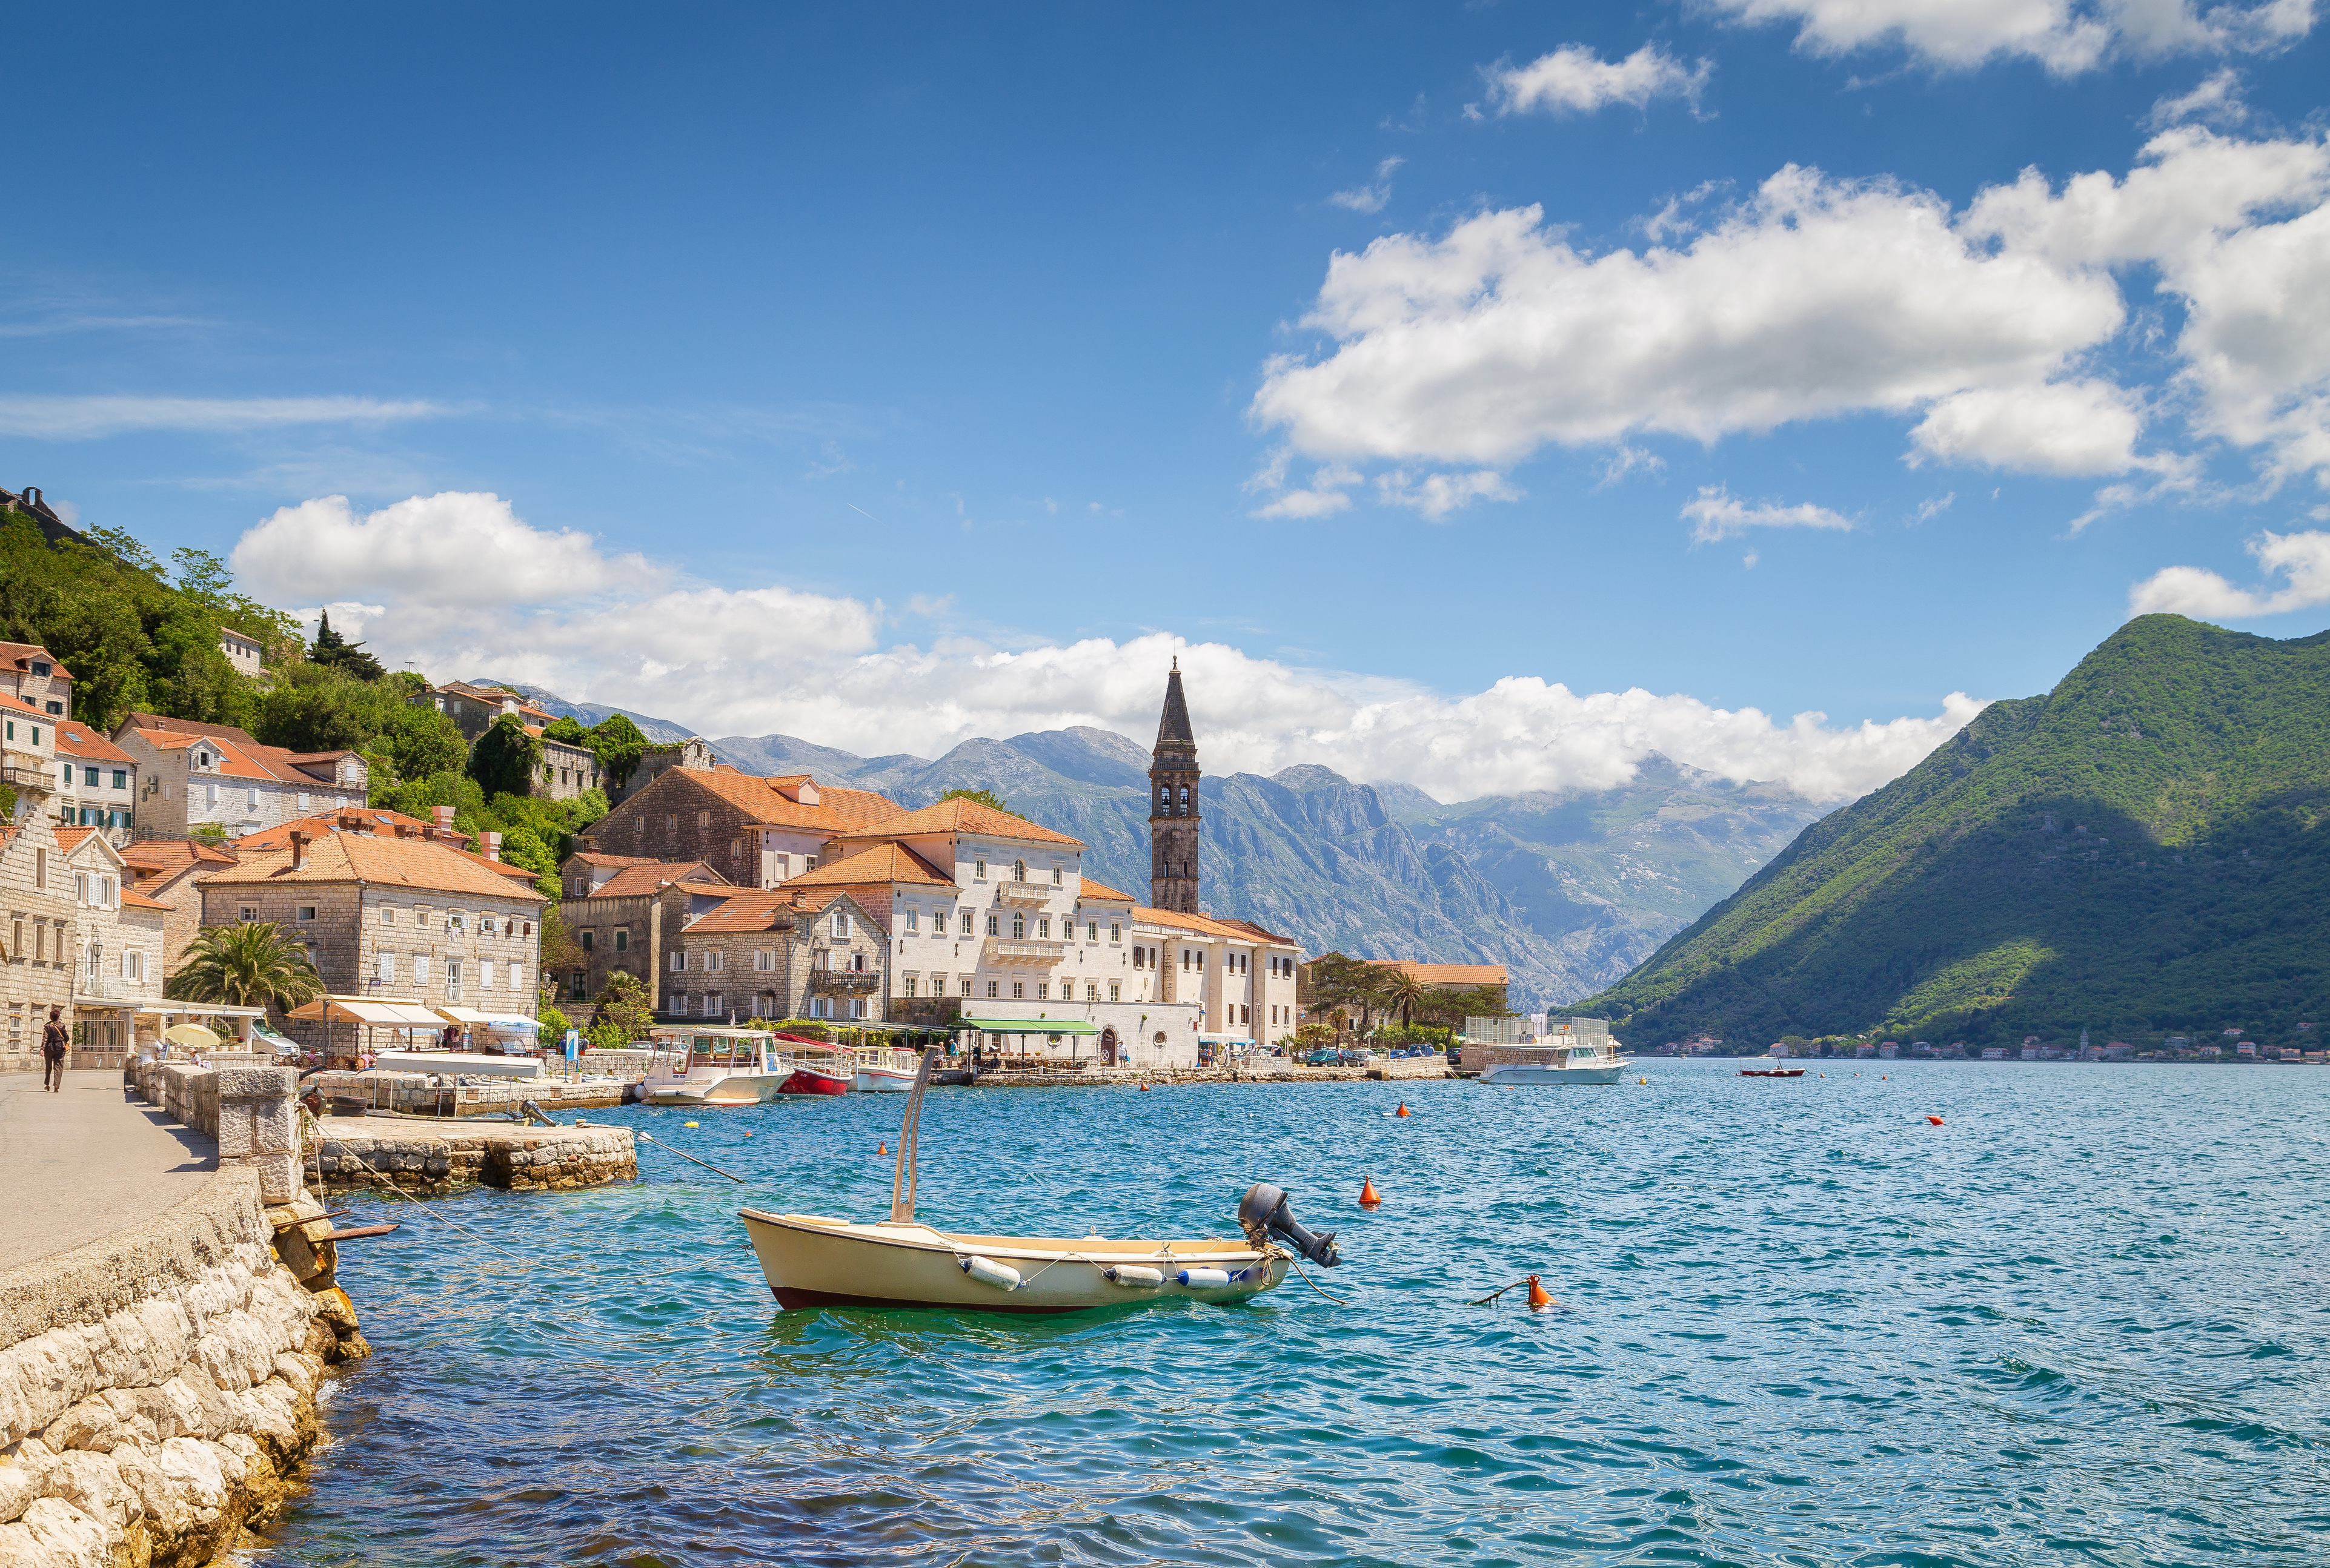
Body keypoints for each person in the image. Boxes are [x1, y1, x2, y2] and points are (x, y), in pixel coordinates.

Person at [41, 1006, 69, 1092]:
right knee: (59, 1067)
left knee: (48, 1066)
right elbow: (66, 1037)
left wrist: (42, 1048)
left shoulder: (47, 1026)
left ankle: (47, 1084)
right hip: (60, 1047)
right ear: (58, 1017)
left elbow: (45, 1038)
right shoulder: (62, 1025)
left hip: (49, 1048)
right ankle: (56, 1085)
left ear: (50, 1017)